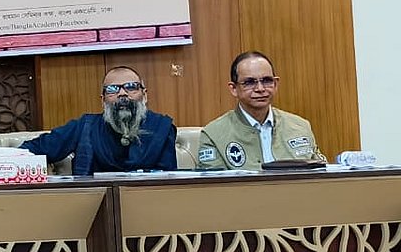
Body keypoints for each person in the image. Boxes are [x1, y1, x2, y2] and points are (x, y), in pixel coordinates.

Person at [20, 66, 177, 176]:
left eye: (131, 87)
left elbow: (168, 182)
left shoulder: (162, 128)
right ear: (103, 100)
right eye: (112, 89)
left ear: (145, 95)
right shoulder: (85, 126)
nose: (122, 94)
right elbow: (32, 149)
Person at [198, 51, 323, 170]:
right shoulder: (213, 135)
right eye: (249, 82)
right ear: (234, 89)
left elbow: (321, 175)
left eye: (267, 81)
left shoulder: (301, 127)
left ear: (275, 84)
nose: (260, 89)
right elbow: (214, 184)